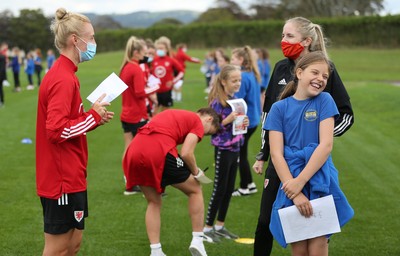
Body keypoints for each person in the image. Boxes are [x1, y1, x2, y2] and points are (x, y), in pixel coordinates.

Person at [252, 17, 355, 256]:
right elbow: (269, 116)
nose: (283, 41)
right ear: (299, 73)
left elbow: (345, 117)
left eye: (289, 36)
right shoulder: (280, 68)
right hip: (282, 163)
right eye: (283, 35)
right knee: (267, 220)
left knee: (317, 236)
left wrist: (319, 136)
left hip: (315, 165)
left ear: (307, 40)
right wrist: (263, 153)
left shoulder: (325, 75)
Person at [36, 8, 114, 256]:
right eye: (90, 38)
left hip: (72, 175)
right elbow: (56, 131)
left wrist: (93, 119)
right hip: (62, 180)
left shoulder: (68, 74)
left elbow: (68, 122)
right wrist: (91, 117)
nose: (93, 43)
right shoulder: (63, 79)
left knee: (73, 245)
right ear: (74, 40)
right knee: (58, 249)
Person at [123, 108, 221, 256]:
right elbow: (187, 153)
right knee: (195, 190)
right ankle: (198, 241)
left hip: (134, 152)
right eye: (207, 133)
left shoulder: (175, 114)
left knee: (153, 202)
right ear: (208, 119)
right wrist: (196, 172)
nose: (203, 135)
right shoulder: (197, 121)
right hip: (158, 150)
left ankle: (156, 251)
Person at [203, 64, 249, 243]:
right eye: (234, 80)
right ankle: (207, 229)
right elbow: (211, 128)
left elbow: (236, 125)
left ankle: (220, 226)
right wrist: (228, 120)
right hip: (223, 149)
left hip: (236, 147)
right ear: (223, 81)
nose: (238, 83)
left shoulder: (235, 99)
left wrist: (242, 121)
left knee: (229, 188)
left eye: (239, 80)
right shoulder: (217, 102)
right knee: (219, 188)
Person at [119, 36, 157, 195]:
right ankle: (144, 181)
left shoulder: (126, 66)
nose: (145, 54)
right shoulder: (135, 68)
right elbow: (140, 92)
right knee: (144, 150)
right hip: (136, 114)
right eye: (143, 51)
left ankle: (130, 183)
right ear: (136, 52)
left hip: (127, 113)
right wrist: (155, 88)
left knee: (129, 148)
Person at [230, 45, 262, 197]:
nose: (231, 61)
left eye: (233, 58)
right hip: (253, 118)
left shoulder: (242, 77)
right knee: (242, 152)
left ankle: (244, 187)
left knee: (239, 155)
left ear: (241, 60)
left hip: (245, 120)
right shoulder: (252, 74)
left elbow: (238, 101)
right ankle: (250, 184)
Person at [151, 36, 184, 114]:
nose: (160, 50)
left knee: (165, 113)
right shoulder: (153, 60)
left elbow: (181, 71)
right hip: (155, 91)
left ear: (166, 49)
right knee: (153, 113)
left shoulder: (171, 60)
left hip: (166, 90)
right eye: (158, 48)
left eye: (162, 48)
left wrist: (173, 81)